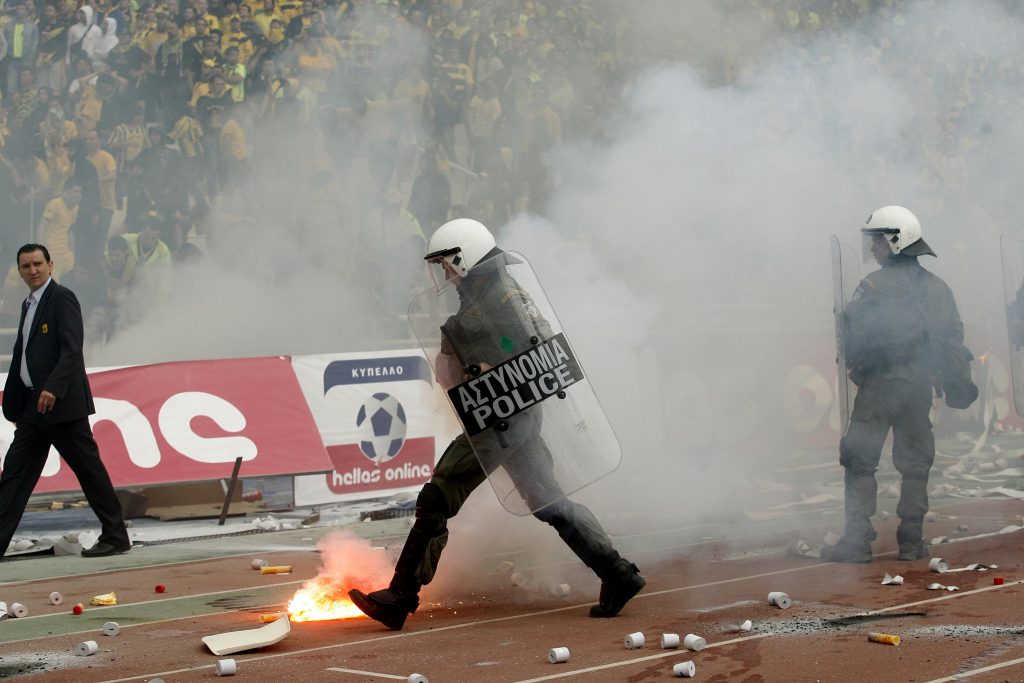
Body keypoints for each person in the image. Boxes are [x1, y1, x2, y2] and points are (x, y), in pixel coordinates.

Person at [349, 218, 645, 630]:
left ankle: (400, 596)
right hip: (507, 417)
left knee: (440, 494)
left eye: (447, 266)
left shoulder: (503, 297)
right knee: (549, 502)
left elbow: (534, 345)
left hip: (500, 417)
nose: (446, 277)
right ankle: (618, 574)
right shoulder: (486, 294)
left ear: (463, 258)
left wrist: (487, 365)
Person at [822, 206, 976, 564]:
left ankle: (857, 542)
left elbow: (852, 336)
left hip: (879, 386)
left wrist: (860, 369)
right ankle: (911, 542)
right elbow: (953, 341)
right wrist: (958, 386)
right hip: (919, 387)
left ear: (896, 240)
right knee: (915, 463)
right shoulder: (939, 289)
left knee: (860, 459)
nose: (873, 249)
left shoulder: (872, 286)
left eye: (877, 240)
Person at [0, 243, 131, 559]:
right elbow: (23, 355)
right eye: (26, 266)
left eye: (37, 264)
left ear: (50, 265)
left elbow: (72, 350)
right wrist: (16, 398)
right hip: (33, 409)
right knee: (13, 476)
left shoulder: (62, 298)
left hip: (61, 405)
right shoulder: (28, 304)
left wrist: (53, 388)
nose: (32, 271)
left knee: (88, 470)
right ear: (19, 271)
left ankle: (116, 536)